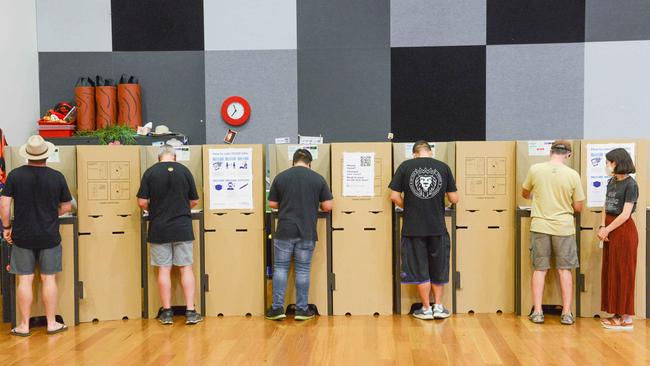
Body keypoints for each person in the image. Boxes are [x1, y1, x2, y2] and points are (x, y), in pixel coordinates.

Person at [1, 135, 72, 336]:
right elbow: (66, 206)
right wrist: (51, 212)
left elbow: (4, 204)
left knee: (25, 280)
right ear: (46, 155)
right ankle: (51, 323)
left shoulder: (15, 175)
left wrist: (7, 227)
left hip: (22, 236)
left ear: (28, 155)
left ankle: (24, 325)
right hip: (49, 236)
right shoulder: (57, 177)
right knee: (49, 279)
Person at [389, 141, 458, 320]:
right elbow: (455, 198)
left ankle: (426, 308)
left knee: (420, 268)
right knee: (438, 267)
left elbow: (394, 196)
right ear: (430, 152)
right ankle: (439, 307)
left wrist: (409, 206)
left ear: (414, 154)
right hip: (437, 227)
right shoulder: (443, 167)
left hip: (413, 228)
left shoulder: (405, 166)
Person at [137, 145, 203, 325]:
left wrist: (155, 210)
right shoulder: (184, 171)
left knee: (163, 269)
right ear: (174, 157)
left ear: (159, 158)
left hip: (159, 227)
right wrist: (182, 209)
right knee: (185, 268)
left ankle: (167, 313)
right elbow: (194, 200)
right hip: (182, 226)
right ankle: (190, 311)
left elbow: (142, 202)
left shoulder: (150, 172)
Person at [265, 149, 333, 321]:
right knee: (303, 270)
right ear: (310, 163)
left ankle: (277, 308)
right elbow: (328, 206)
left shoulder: (281, 177)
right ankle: (302, 309)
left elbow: (272, 203)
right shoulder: (317, 178)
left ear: (293, 161)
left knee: (280, 269)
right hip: (307, 231)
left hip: (285, 230)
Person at [522, 140, 584, 325]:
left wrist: (538, 196)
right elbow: (579, 207)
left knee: (539, 269)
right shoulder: (573, 174)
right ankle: (566, 313)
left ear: (550, 151)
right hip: (564, 227)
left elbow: (525, 193)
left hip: (540, 226)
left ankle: (538, 312)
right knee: (565, 269)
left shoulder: (535, 169)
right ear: (569, 155)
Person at [598, 148, 639, 330]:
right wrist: (602, 227)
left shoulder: (631, 185)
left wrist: (607, 229)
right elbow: (606, 205)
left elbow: (625, 214)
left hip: (623, 231)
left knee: (624, 271)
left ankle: (626, 317)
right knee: (612, 271)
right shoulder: (611, 181)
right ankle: (617, 313)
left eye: (609, 162)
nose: (607, 166)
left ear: (617, 162)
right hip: (609, 229)